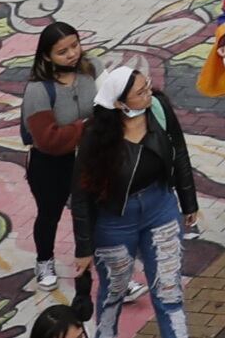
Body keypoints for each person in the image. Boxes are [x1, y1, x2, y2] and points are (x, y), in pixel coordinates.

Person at [76, 59, 198, 338]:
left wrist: (188, 201)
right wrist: (83, 247)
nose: (149, 95)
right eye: (141, 93)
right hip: (115, 222)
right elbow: (81, 193)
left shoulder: (159, 108)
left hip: (161, 209)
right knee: (113, 295)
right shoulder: (95, 135)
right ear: (119, 104)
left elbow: (179, 150)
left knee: (169, 293)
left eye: (148, 87)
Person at [20, 18, 98, 296]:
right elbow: (49, 140)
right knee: (49, 214)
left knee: (94, 212)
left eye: (75, 46)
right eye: (63, 51)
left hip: (89, 158)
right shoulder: (38, 90)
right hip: (50, 165)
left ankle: (105, 263)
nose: (72, 54)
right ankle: (44, 261)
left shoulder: (93, 69)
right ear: (47, 56)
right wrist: (88, 127)